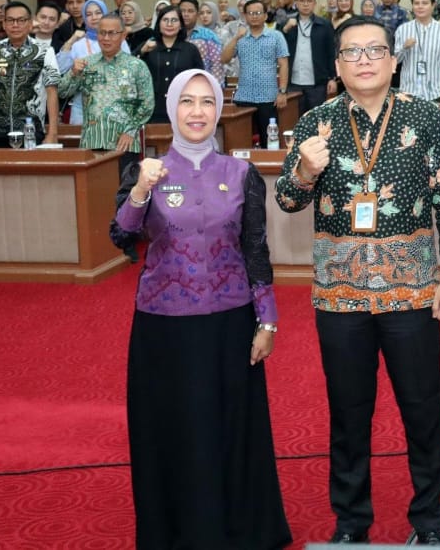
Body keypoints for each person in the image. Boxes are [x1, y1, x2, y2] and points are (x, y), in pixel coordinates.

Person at [278, 15, 440, 546]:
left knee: (422, 410)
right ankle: (350, 524)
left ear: (393, 60)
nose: (364, 60)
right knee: (348, 413)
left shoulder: (425, 117)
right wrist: (304, 172)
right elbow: (287, 201)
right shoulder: (315, 122)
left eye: (374, 50)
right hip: (339, 296)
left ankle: (429, 523)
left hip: (412, 291)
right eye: (352, 52)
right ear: (337, 65)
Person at [112, 70, 291, 550]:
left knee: (230, 427)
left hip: (230, 321)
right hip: (164, 326)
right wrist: (140, 191)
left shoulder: (240, 174)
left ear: (218, 110)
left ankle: (239, 530)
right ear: (172, 109)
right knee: (174, 428)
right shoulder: (146, 170)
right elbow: (122, 236)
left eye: (207, 102)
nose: (197, 112)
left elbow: (255, 248)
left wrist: (267, 319)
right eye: (187, 102)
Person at [58, 12, 154, 193]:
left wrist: (130, 130)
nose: (106, 38)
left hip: (124, 143)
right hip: (92, 141)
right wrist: (73, 73)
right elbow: (63, 91)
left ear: (123, 35)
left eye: (112, 33)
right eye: (102, 33)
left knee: (125, 195)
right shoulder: (86, 64)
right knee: (95, 195)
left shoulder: (136, 66)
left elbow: (147, 103)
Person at [0, 1, 59, 147]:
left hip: (31, 131)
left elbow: (52, 92)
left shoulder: (45, 51)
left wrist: (53, 133)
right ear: (4, 24)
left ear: (30, 24)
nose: (15, 25)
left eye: (21, 20)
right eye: (10, 20)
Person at [223, 0, 288, 146]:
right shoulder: (240, 37)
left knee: (269, 141)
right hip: (244, 97)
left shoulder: (276, 36)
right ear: (245, 16)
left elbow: (284, 64)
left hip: (268, 98)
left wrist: (282, 91)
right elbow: (224, 59)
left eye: (258, 13)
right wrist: (236, 37)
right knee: (242, 141)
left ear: (265, 15)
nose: (254, 16)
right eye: (250, 13)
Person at [138, 6, 205, 125]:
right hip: (152, 110)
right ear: (158, 24)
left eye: (174, 20)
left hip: (183, 110)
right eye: (165, 20)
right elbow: (131, 72)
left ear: (181, 25)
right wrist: (142, 52)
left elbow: (200, 80)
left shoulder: (190, 50)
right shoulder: (147, 47)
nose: (169, 24)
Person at [58, 0, 120, 125]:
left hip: (113, 106)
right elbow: (60, 68)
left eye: (98, 13)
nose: (94, 17)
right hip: (82, 108)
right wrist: (71, 41)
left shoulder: (119, 41)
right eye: (89, 14)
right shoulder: (78, 44)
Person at [281, 0, 338, 114]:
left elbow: (331, 53)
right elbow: (278, 50)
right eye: (302, 1)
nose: (305, 4)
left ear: (314, 3)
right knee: (294, 120)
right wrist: (285, 30)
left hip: (317, 84)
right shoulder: (287, 24)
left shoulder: (325, 25)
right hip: (293, 83)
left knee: (317, 119)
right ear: (296, 3)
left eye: (309, 1)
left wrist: (332, 78)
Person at [395, 0, 440, 102]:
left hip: (435, 93)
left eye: (425, 3)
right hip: (408, 93)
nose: (420, 6)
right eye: (416, 3)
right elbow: (395, 61)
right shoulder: (402, 30)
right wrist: (404, 48)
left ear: (433, 5)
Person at [177, 0, 224, 87]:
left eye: (190, 11)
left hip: (202, 86)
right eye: (182, 11)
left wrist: (215, 87)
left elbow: (217, 64)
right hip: (177, 85)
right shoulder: (171, 34)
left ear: (197, 14)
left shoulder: (208, 35)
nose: (186, 14)